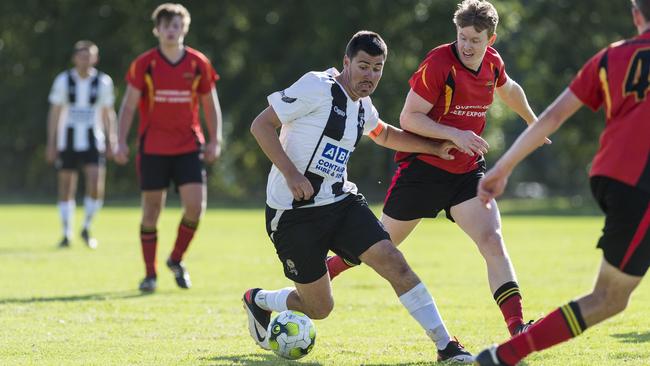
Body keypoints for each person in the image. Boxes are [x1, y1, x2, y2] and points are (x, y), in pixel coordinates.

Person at [243, 30, 474, 363]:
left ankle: (445, 345)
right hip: (293, 215)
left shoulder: (362, 104)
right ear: (346, 62)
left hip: (341, 204)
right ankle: (260, 300)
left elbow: (384, 134)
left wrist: (436, 148)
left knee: (394, 262)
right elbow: (261, 125)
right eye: (364, 66)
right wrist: (291, 174)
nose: (371, 75)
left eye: (378, 68)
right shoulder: (317, 87)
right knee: (320, 308)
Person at [327, 0, 545, 337]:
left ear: (491, 39)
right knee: (373, 248)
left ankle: (517, 328)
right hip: (423, 171)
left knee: (492, 240)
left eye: (475, 40)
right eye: (462, 37)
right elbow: (408, 117)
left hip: (466, 173)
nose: (467, 46)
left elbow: (510, 89)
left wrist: (533, 121)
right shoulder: (439, 63)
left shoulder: (492, 63)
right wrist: (455, 134)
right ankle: (313, 281)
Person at [474, 1, 650, 364]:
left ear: (636, 15)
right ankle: (504, 356)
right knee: (608, 298)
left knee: (609, 298)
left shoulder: (610, 57)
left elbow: (553, 115)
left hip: (612, 176)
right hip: (642, 184)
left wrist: (503, 166)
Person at [114, 3, 222, 292]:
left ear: (184, 29)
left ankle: (176, 258)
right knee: (151, 212)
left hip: (188, 145)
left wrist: (215, 139)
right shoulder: (145, 63)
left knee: (196, 208)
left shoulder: (198, 63)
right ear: (157, 30)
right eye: (166, 25)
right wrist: (119, 140)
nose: (171, 31)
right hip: (153, 148)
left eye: (176, 25)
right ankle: (149, 274)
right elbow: (128, 105)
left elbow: (210, 105)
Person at [46, 40, 116, 249]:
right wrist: (51, 143)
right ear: (74, 58)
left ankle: (86, 227)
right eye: (81, 56)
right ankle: (66, 232)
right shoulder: (64, 80)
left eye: (90, 56)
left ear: (95, 59)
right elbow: (55, 112)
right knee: (66, 186)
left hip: (93, 140)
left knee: (95, 185)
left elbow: (108, 113)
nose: (85, 60)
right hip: (67, 140)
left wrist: (112, 140)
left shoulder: (103, 82)